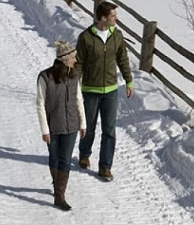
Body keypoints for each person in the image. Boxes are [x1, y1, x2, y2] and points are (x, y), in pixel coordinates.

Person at [75, 1, 134, 182]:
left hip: (110, 91)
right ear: (102, 18)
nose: (116, 19)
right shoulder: (86, 37)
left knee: (109, 130)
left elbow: (122, 59)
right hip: (90, 90)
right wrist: (73, 86)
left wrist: (129, 81)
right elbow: (79, 64)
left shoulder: (117, 36)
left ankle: (105, 167)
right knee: (89, 127)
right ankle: (84, 154)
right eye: (113, 16)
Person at [36, 40, 86, 211]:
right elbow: (40, 103)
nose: (75, 60)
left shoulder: (74, 75)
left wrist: (83, 123)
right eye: (73, 58)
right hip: (53, 125)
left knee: (65, 160)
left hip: (71, 125)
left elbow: (79, 99)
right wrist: (44, 129)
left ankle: (59, 195)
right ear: (65, 59)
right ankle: (57, 184)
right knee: (54, 157)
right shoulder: (45, 77)